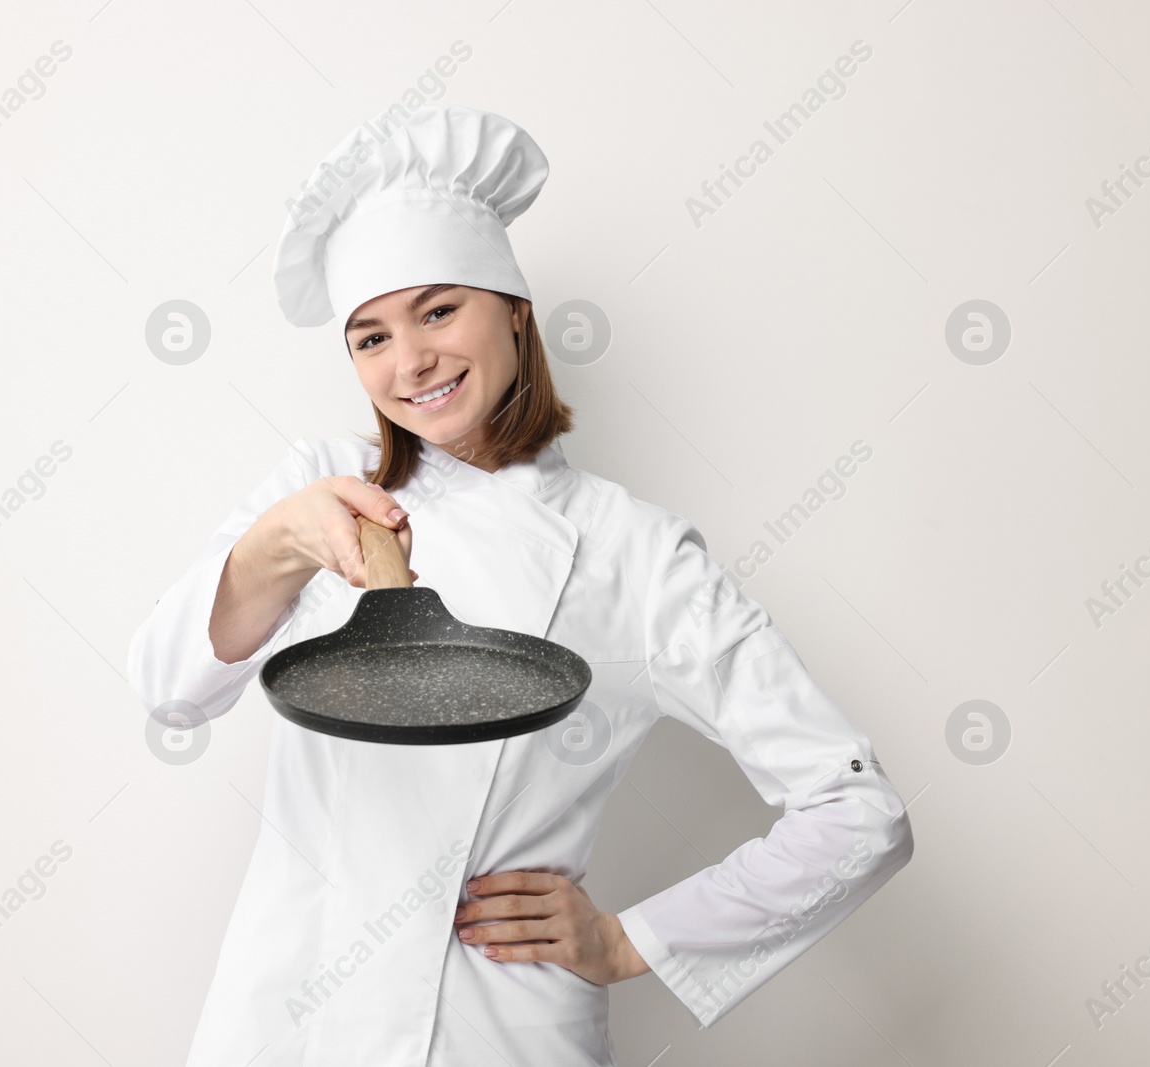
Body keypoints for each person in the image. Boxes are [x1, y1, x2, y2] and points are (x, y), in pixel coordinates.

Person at [128, 104, 914, 1067]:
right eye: (369, 337)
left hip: (492, 1033)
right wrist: (275, 545)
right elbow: (168, 688)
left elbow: (856, 809)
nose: (409, 360)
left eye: (439, 310)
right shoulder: (318, 484)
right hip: (283, 1022)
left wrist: (631, 940)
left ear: (515, 308)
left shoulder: (634, 552)